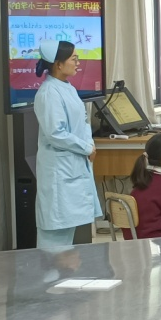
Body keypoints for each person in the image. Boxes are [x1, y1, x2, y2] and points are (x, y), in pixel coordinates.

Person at [32, 39, 102, 249]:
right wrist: (86, 148)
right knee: (55, 242)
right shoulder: (48, 93)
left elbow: (83, 122)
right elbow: (56, 133)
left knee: (66, 237)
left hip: (72, 167)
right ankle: (51, 270)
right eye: (74, 58)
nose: (78, 62)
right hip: (60, 172)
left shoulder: (67, 88)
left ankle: (61, 269)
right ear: (58, 64)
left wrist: (89, 144)